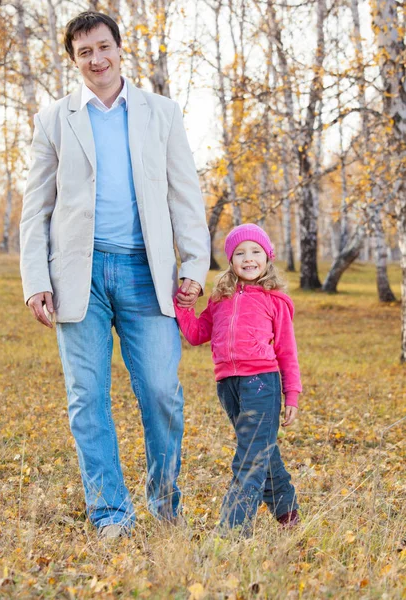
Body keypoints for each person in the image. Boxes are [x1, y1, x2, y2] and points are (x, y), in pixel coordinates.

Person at [19, 11, 210, 538]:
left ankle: (165, 503)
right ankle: (110, 514)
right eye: (84, 52)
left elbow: (183, 194)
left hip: (146, 272)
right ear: (74, 59)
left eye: (103, 47)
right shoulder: (55, 119)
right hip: (77, 275)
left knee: (161, 392)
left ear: (119, 49)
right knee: (87, 397)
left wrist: (194, 263)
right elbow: (35, 208)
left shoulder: (161, 113)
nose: (96, 60)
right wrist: (36, 279)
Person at [174, 224, 301, 536]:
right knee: (262, 450)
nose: (248, 258)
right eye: (240, 253)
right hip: (228, 386)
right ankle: (288, 513)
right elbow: (195, 334)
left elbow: (287, 350)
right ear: (230, 260)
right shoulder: (219, 300)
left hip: (262, 382)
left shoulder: (275, 301)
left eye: (255, 251)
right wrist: (183, 307)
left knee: (250, 456)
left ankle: (232, 529)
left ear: (267, 258)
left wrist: (292, 394)